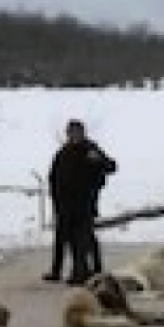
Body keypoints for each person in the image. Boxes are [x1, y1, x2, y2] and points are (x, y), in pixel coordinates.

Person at [44, 120, 117, 284]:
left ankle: (82, 272)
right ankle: (57, 271)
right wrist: (55, 197)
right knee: (63, 238)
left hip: (84, 204)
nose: (73, 136)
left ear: (83, 133)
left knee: (81, 240)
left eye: (77, 132)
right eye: (70, 133)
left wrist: (98, 160)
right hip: (64, 205)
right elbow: (53, 176)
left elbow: (111, 166)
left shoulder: (90, 149)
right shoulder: (63, 152)